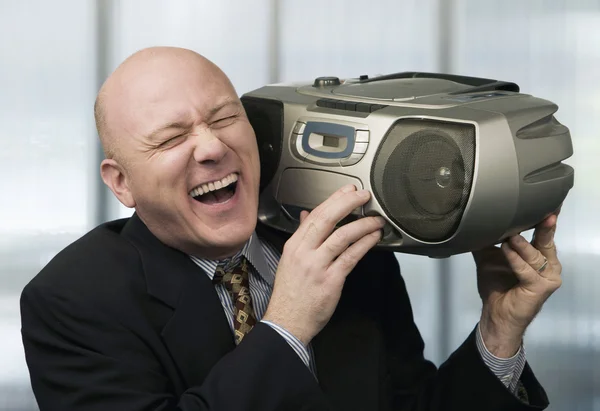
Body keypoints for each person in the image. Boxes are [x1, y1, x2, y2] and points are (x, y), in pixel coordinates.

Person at [20, 46, 563, 411]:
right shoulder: (71, 301)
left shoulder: (347, 247)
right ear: (122, 183)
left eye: (225, 117)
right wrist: (287, 327)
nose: (211, 148)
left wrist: (498, 333)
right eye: (170, 139)